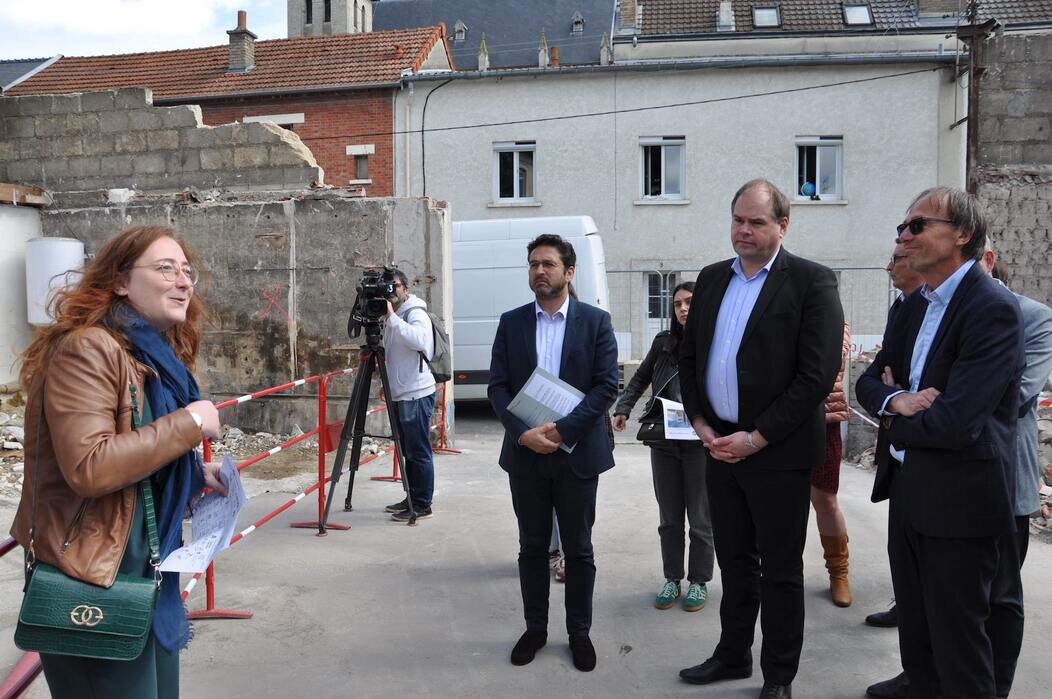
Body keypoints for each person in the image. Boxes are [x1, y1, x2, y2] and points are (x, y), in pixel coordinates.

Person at [10, 225, 225, 699]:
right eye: (164, 268)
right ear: (121, 281)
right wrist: (189, 424)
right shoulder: (89, 347)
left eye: (186, 272)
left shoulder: (149, 354)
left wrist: (191, 473)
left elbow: (138, 450)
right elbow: (91, 466)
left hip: (146, 571)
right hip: (92, 576)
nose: (183, 282)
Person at [677, 179, 844, 699]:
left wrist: (757, 437)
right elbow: (690, 359)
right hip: (720, 447)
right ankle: (732, 656)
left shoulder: (812, 283)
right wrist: (702, 423)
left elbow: (814, 378)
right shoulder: (709, 280)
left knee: (780, 569)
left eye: (757, 222)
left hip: (777, 454)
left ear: (782, 226)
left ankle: (778, 676)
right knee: (734, 560)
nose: (744, 231)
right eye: (738, 220)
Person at [857, 187, 1024, 698]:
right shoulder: (915, 304)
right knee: (918, 627)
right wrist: (898, 401)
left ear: (962, 234)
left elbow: (957, 423)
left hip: (959, 499)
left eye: (917, 226)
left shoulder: (991, 308)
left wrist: (889, 414)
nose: (904, 237)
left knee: (960, 641)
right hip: (908, 486)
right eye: (902, 228)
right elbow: (866, 382)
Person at [488, 233, 618, 672]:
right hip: (526, 456)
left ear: (569, 271)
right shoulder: (512, 322)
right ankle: (535, 628)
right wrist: (524, 434)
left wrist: (561, 431)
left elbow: (606, 387)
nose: (539, 271)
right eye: (532, 264)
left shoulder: (596, 322)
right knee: (531, 547)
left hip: (577, 454)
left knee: (579, 549)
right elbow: (497, 387)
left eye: (547, 264)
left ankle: (579, 632)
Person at [612, 281, 714, 612]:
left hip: (700, 442)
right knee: (669, 517)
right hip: (665, 438)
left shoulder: (714, 342)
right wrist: (623, 408)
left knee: (700, 517)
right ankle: (672, 577)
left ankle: (698, 582)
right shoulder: (663, 342)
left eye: (690, 302)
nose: (684, 308)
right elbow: (640, 377)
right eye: (678, 304)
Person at [864, 243, 925, 630]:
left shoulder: (932, 309)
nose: (889, 267)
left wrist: (896, 401)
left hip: (928, 455)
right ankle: (906, 609)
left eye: (897, 260)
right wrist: (895, 397)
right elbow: (870, 380)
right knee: (901, 549)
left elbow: (933, 397)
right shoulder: (901, 306)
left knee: (925, 557)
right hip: (900, 452)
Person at [380, 268, 437, 522]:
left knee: (418, 451)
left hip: (416, 392)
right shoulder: (397, 314)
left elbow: (421, 341)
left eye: (394, 286)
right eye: (387, 287)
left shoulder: (415, 312)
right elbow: (395, 354)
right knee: (408, 451)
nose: (390, 292)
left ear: (405, 288)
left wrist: (392, 318)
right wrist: (389, 384)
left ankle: (423, 503)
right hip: (402, 391)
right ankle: (411, 496)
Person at [812, 322, 853, 607]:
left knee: (826, 499)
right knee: (779, 504)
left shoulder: (831, 316)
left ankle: (839, 573)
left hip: (823, 419)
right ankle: (778, 574)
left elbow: (828, 364)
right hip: (778, 421)